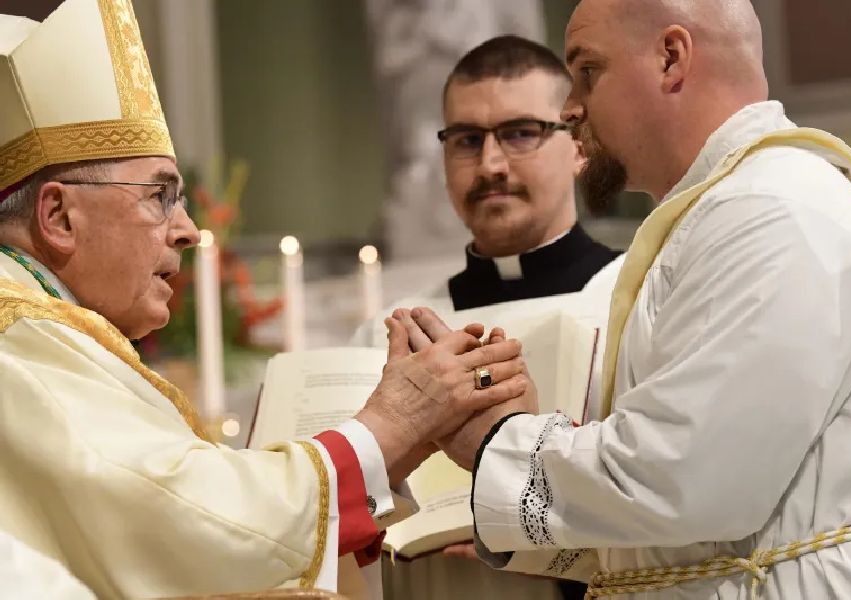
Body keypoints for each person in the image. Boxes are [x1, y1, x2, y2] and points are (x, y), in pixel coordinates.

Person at [0, 2, 530, 599]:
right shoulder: (19, 338)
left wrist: (402, 445)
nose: (186, 228)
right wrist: (393, 425)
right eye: (160, 195)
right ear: (57, 216)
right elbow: (193, 526)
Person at [397, 0, 851, 598]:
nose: (570, 107)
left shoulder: (773, 214)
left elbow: (689, 480)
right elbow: (686, 529)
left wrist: (495, 441)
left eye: (588, 71)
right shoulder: (723, 213)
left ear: (671, 58)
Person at [355, 35, 622, 600]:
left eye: (521, 133)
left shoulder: (631, 298)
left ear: (579, 146)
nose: (490, 164)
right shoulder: (395, 326)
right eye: (466, 140)